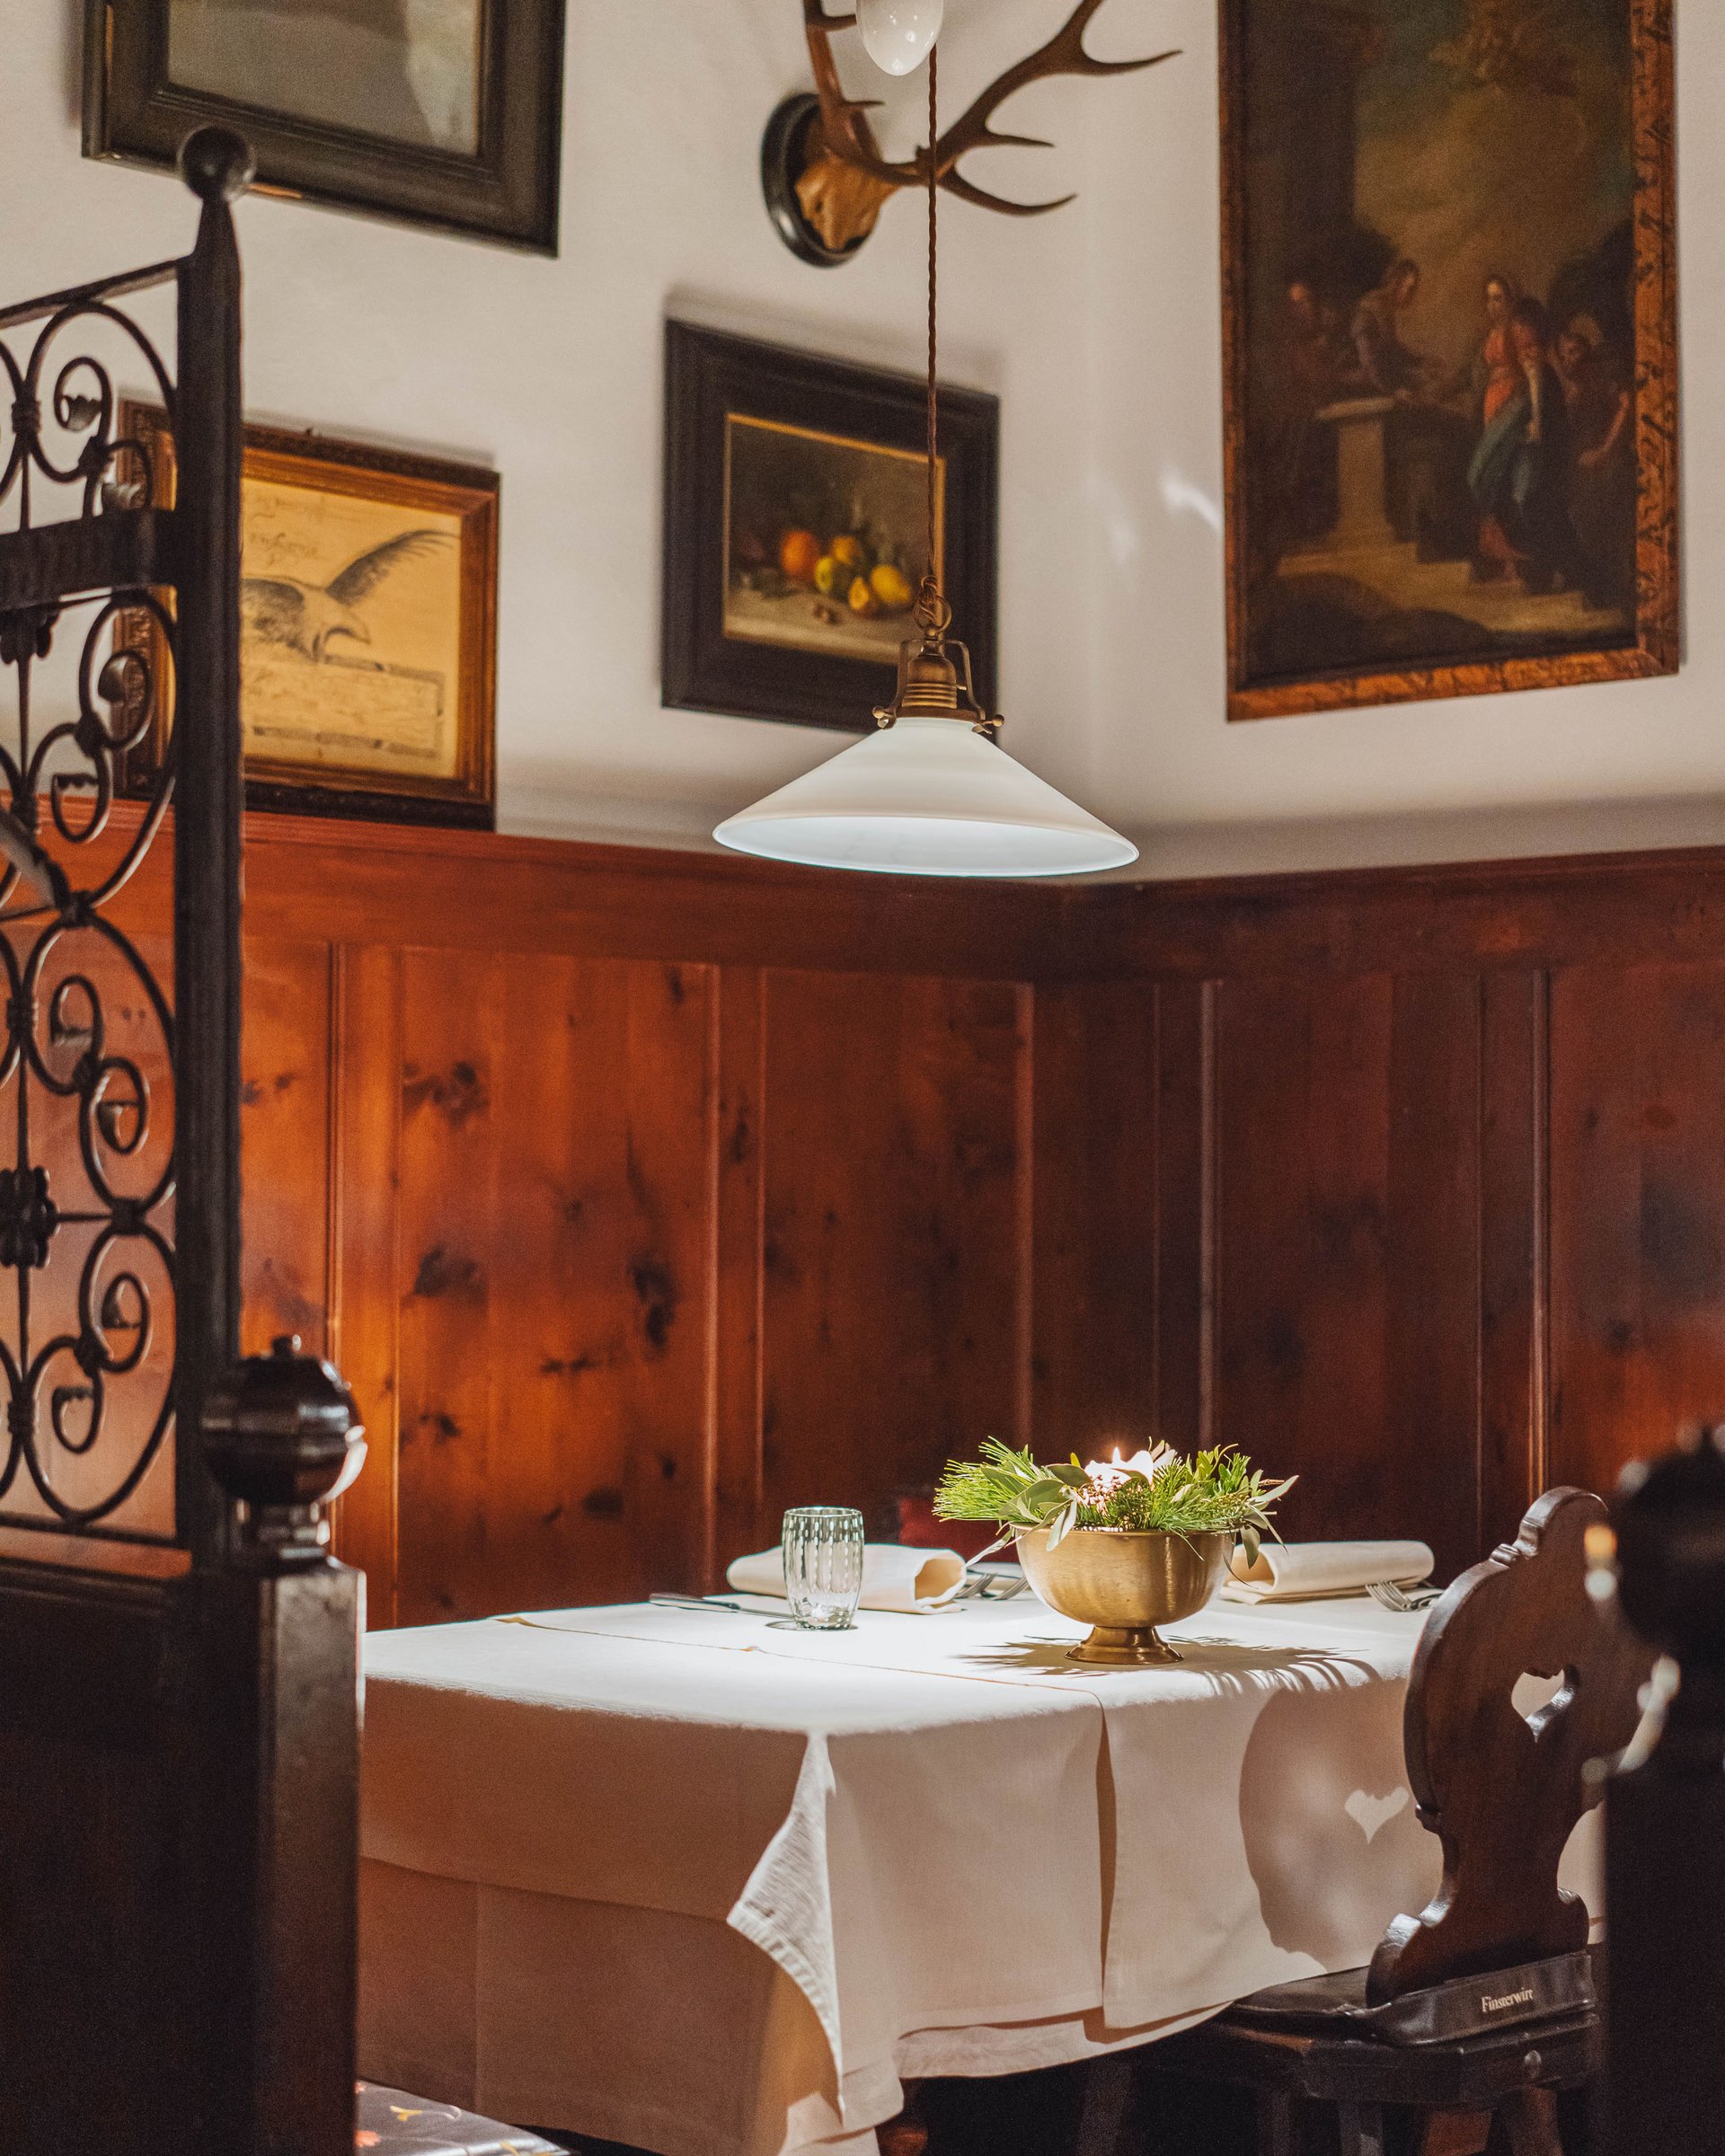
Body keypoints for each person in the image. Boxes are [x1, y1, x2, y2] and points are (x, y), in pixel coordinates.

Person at [1465, 277, 1579, 593]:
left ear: (1511, 300)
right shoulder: (1491, 335)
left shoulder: (1519, 329)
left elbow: (1534, 372)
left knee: (1511, 486)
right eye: (1489, 299)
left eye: (1499, 298)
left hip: (1517, 412)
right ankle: (1522, 562)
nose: (1493, 305)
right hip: (1497, 412)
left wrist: (1537, 419)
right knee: (1504, 487)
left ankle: (1539, 563)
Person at [1555, 315, 1635, 611]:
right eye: (1563, 354)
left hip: (1608, 458)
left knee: (1603, 513)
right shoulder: (1570, 385)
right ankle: (1594, 584)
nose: (1568, 360)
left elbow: (1625, 405)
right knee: (1573, 513)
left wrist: (1604, 449)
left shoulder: (1602, 375)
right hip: (1580, 463)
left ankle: (1613, 586)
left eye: (1573, 352)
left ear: (1587, 349)